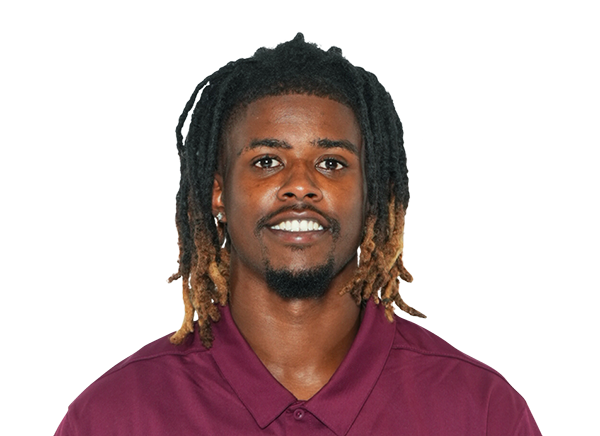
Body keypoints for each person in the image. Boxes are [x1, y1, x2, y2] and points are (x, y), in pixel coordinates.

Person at [57, 33, 541, 435]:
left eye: (331, 163)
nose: (300, 185)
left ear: (371, 196)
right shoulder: (116, 415)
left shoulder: (480, 410)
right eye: (267, 161)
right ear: (219, 193)